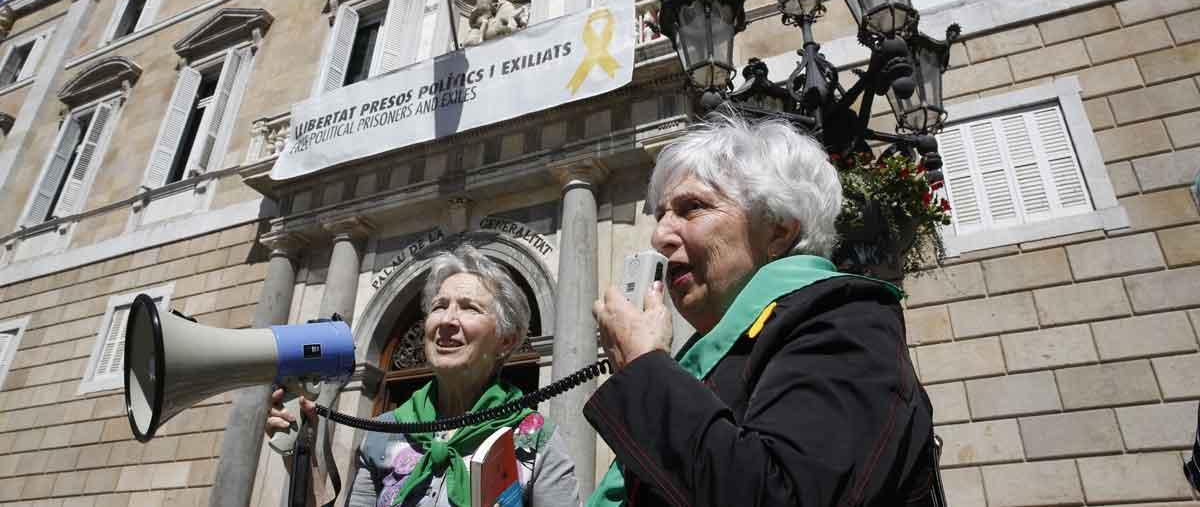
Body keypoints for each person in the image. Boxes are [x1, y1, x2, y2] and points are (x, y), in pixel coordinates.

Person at [586, 114, 940, 506]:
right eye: (661, 216)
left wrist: (645, 369)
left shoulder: (847, 323)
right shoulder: (712, 355)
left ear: (778, 230)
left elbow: (779, 495)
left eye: (693, 208)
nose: (660, 236)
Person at [267, 244, 581, 507]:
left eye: (469, 307)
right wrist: (302, 451)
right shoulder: (383, 432)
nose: (447, 320)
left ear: (507, 340)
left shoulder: (536, 441)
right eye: (439, 306)